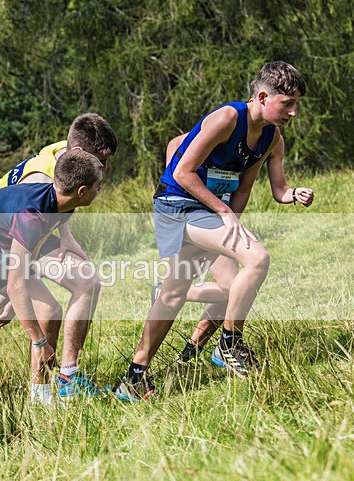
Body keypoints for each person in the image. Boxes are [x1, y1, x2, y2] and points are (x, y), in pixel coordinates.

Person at [116, 61, 306, 401]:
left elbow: (247, 189)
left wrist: (276, 202)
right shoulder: (227, 118)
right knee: (258, 259)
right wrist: (223, 213)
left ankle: (133, 379)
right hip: (177, 206)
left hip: (209, 212)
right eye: (287, 103)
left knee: (176, 295)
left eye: (296, 105)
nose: (293, 112)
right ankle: (229, 347)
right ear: (263, 96)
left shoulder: (271, 138)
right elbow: (183, 172)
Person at [0, 149, 105, 435]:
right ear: (82, 190)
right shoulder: (32, 214)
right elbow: (16, 283)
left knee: (50, 310)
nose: (101, 189)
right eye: (99, 185)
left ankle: (39, 398)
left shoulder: (63, 205)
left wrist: (15, 296)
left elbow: (26, 262)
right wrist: (39, 342)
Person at [0, 113, 118, 407]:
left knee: (86, 282)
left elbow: (59, 200)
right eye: (101, 161)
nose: (104, 168)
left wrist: (67, 236)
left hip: (36, 232)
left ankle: (64, 380)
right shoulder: (38, 178)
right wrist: (11, 294)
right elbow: (31, 220)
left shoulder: (69, 150)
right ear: (78, 153)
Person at [158, 133, 314, 366]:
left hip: (227, 221)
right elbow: (175, 144)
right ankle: (170, 297)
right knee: (235, 288)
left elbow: (280, 188)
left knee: (235, 289)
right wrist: (180, 193)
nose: (289, 115)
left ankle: (191, 353)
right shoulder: (227, 124)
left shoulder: (274, 140)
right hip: (196, 217)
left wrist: (294, 194)